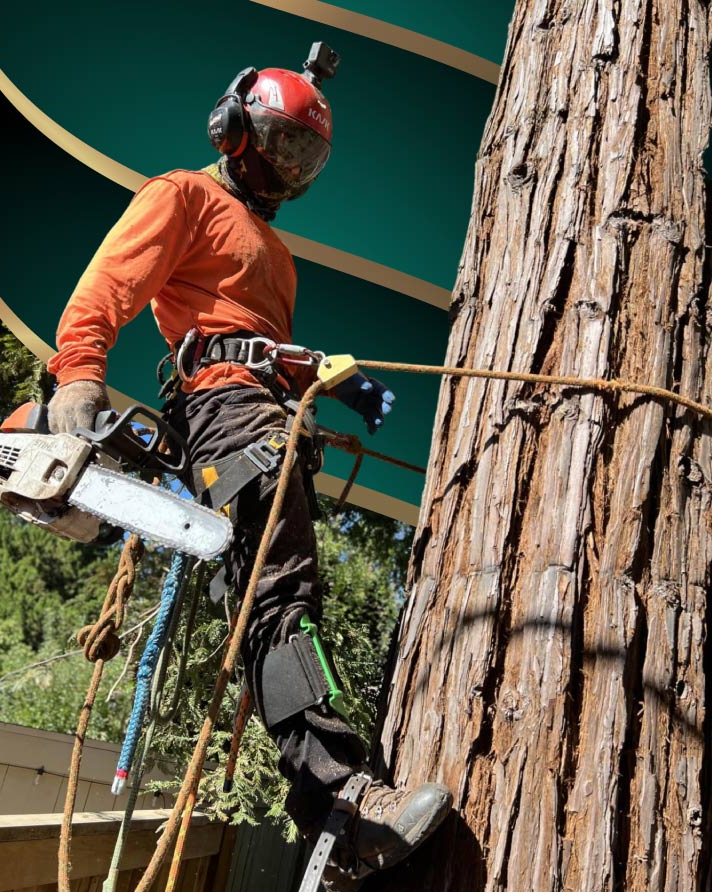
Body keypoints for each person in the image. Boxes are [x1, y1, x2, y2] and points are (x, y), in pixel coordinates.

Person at [45, 43, 451, 887]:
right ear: (234, 129)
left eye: (304, 153)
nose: (286, 165)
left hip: (268, 413)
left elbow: (255, 341)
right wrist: (79, 374)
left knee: (290, 591)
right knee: (276, 598)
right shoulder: (184, 194)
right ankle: (340, 803)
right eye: (276, 141)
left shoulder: (278, 252)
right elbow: (109, 286)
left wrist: (328, 376)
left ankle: (339, 816)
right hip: (224, 414)